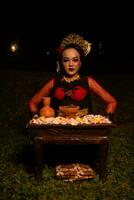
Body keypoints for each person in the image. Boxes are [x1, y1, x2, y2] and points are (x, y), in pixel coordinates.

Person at [28, 33, 117, 120]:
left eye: (75, 60)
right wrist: (37, 119)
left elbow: (112, 102)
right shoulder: (54, 82)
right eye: (66, 60)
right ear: (61, 63)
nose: (71, 64)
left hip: (84, 129)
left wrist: (105, 120)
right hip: (59, 129)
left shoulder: (88, 81)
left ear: (80, 63)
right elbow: (32, 103)